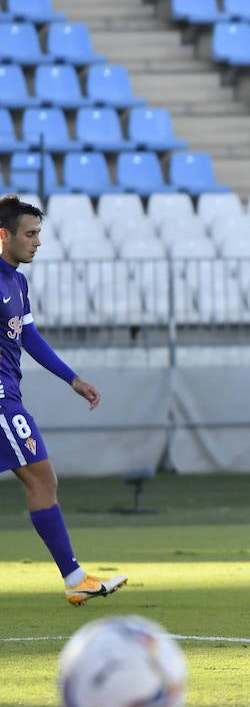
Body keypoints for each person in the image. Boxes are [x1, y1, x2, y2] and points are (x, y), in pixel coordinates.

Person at [0, 196, 127, 607]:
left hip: (9, 395)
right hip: (2, 401)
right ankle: (74, 578)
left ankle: (75, 578)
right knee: (43, 479)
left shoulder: (16, 282)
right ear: (4, 235)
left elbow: (30, 337)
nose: (38, 242)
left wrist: (72, 379)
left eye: (40, 234)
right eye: (30, 234)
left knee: (42, 480)